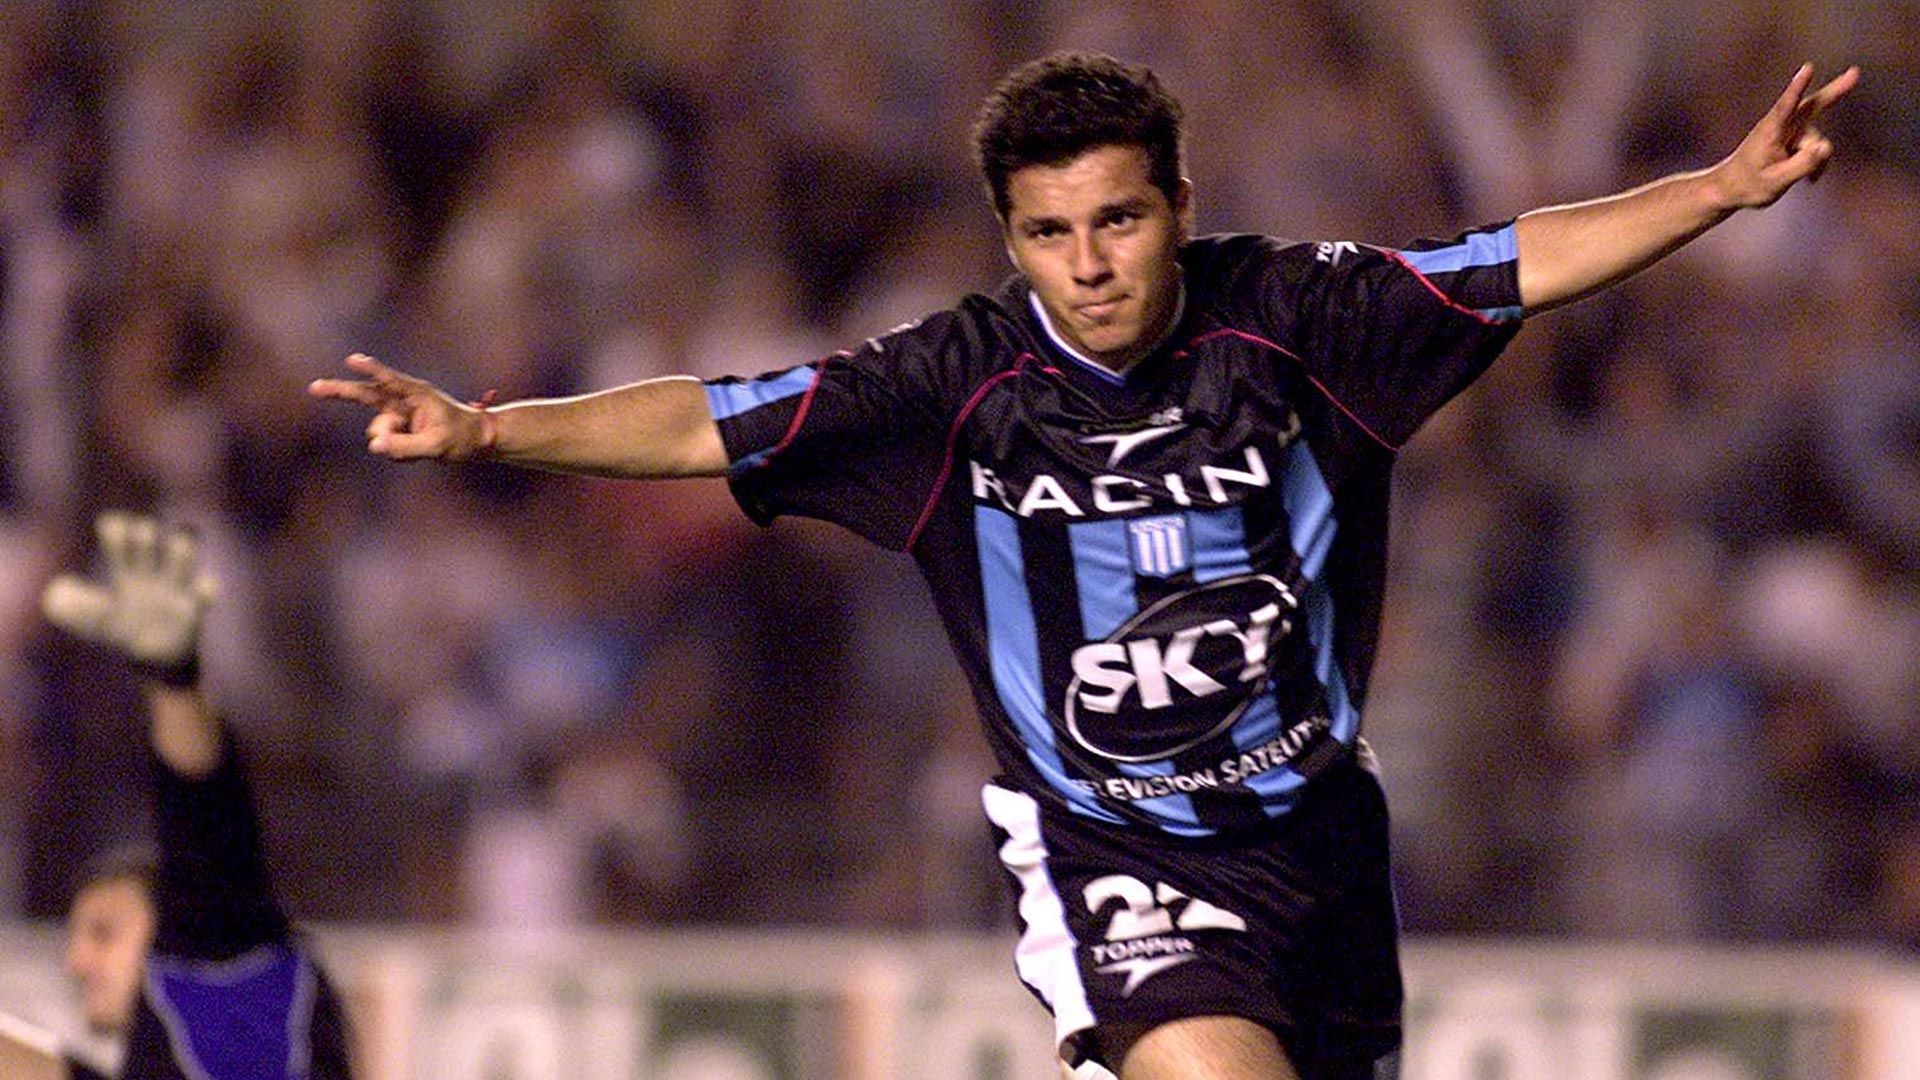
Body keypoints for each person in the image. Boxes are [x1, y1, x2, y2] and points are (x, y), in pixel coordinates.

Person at [309, 52, 1857, 1080]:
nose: (1094, 262)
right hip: (1116, 854)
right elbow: (710, 422)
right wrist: (490, 431)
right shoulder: (948, 389)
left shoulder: (1303, 319)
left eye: (1121, 218)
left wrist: (1717, 193)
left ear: (1182, 205)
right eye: (1053, 233)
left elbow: (1519, 258)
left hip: (1321, 842)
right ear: (1011, 239)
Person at [34, 511, 356, 1079]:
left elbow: (205, 828)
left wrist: (173, 682)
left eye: (105, 933)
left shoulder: (234, 984)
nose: (76, 961)